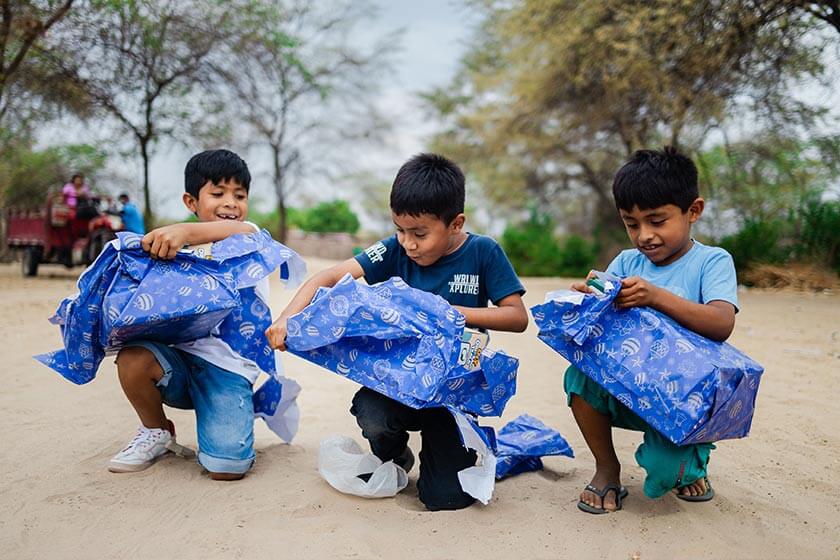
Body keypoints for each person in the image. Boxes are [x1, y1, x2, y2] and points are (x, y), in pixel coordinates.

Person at [266, 153, 529, 510]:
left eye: (420, 233)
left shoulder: (483, 253)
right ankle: (395, 455)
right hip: (400, 384)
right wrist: (286, 319)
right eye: (400, 230)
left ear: (455, 223)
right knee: (371, 412)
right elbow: (326, 278)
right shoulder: (393, 250)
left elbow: (517, 317)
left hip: (451, 395)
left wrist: (450, 313)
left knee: (444, 499)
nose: (408, 243)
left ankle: (456, 453)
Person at [566, 146, 738, 514]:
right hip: (634, 388)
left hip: (685, 399)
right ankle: (607, 468)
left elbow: (722, 323)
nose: (644, 235)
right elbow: (602, 325)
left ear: (693, 211)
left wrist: (656, 296)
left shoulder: (712, 261)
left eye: (657, 221)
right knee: (579, 376)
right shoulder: (628, 261)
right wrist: (586, 301)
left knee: (665, 475)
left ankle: (690, 458)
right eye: (631, 223)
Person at [109, 149, 265, 480]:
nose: (231, 203)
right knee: (133, 357)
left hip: (228, 369)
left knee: (226, 468)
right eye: (218, 193)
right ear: (191, 201)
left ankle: (227, 413)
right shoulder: (174, 250)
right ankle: (157, 431)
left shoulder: (250, 238)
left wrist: (183, 231)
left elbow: (246, 230)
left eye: (240, 195)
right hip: (177, 364)